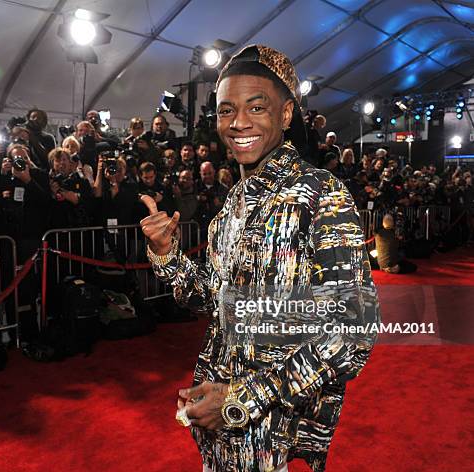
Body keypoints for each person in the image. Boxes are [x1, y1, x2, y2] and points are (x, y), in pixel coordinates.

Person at [140, 45, 379, 472]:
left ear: (286, 115)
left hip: (277, 433)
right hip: (222, 427)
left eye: (256, 107)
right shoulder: (231, 207)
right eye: (226, 110)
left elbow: (353, 331)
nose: (239, 123)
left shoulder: (320, 194)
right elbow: (214, 302)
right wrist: (167, 256)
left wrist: (242, 399)